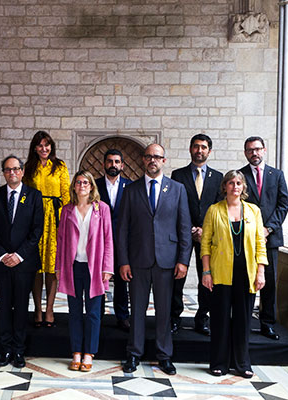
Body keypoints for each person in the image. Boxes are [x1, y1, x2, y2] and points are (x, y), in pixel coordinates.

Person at [117, 143, 192, 375]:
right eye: (149, 156)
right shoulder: (131, 190)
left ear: (164, 161)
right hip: (138, 260)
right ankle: (133, 353)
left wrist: (183, 261)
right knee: (137, 311)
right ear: (143, 159)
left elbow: (184, 227)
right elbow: (122, 229)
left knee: (164, 311)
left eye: (157, 157)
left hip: (167, 261)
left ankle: (164, 356)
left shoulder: (177, 189)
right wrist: (123, 261)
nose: (153, 160)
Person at [201, 170, 267, 378]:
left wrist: (261, 272)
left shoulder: (254, 211)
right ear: (224, 186)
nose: (235, 187)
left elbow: (260, 243)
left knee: (243, 320)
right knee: (219, 319)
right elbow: (205, 244)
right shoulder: (214, 210)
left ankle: (242, 363)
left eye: (239, 183)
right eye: (231, 183)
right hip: (220, 273)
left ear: (243, 187)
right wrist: (206, 272)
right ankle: (218, 363)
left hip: (247, 274)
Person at [0, 155, 44, 368]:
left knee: (20, 307)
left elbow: (37, 230)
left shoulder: (34, 196)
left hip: (24, 263)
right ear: (3, 172)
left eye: (16, 169)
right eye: (8, 169)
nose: (12, 173)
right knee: (3, 306)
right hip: (1, 262)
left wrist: (19, 255)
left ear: (22, 171)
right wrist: (2, 254)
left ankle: (18, 350)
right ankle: (5, 349)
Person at [56, 171, 113, 372]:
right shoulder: (67, 210)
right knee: (74, 312)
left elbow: (108, 239)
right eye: (79, 182)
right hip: (73, 266)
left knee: (93, 313)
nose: (82, 185)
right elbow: (60, 240)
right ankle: (76, 352)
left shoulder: (102, 209)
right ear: (74, 186)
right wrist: (58, 266)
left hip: (94, 267)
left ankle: (89, 353)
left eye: (86, 182)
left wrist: (107, 267)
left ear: (91, 186)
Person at [170, 134, 223, 336]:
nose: (199, 150)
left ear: (209, 151)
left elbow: (219, 208)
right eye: (196, 146)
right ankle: (174, 318)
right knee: (177, 278)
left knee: (206, 278)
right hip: (182, 234)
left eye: (203, 147)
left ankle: (202, 319)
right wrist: (190, 228)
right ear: (190, 149)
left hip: (208, 237)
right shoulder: (178, 175)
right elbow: (175, 205)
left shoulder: (218, 177)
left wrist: (204, 230)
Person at [239, 136, 288, 340]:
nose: (255, 153)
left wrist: (268, 228)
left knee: (269, 283)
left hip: (271, 239)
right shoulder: (240, 175)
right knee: (246, 282)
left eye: (258, 149)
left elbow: (283, 204)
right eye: (250, 150)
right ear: (245, 153)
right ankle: (244, 324)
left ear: (264, 150)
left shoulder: (276, 175)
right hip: (246, 240)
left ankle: (267, 324)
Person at [23, 130, 70, 328]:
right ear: (35, 148)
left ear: (51, 147)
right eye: (40, 145)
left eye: (47, 145)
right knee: (36, 267)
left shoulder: (59, 166)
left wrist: (66, 220)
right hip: (34, 217)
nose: (44, 148)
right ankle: (37, 309)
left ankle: (49, 309)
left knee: (52, 266)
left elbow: (66, 193)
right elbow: (24, 192)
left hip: (55, 218)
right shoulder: (28, 167)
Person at [95, 149, 132, 331]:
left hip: (122, 240)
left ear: (122, 165)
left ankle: (122, 316)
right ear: (104, 164)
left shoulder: (130, 186)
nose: (113, 165)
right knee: (98, 278)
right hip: (98, 240)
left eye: (117, 162)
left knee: (121, 280)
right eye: (110, 161)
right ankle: (97, 314)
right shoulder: (95, 185)